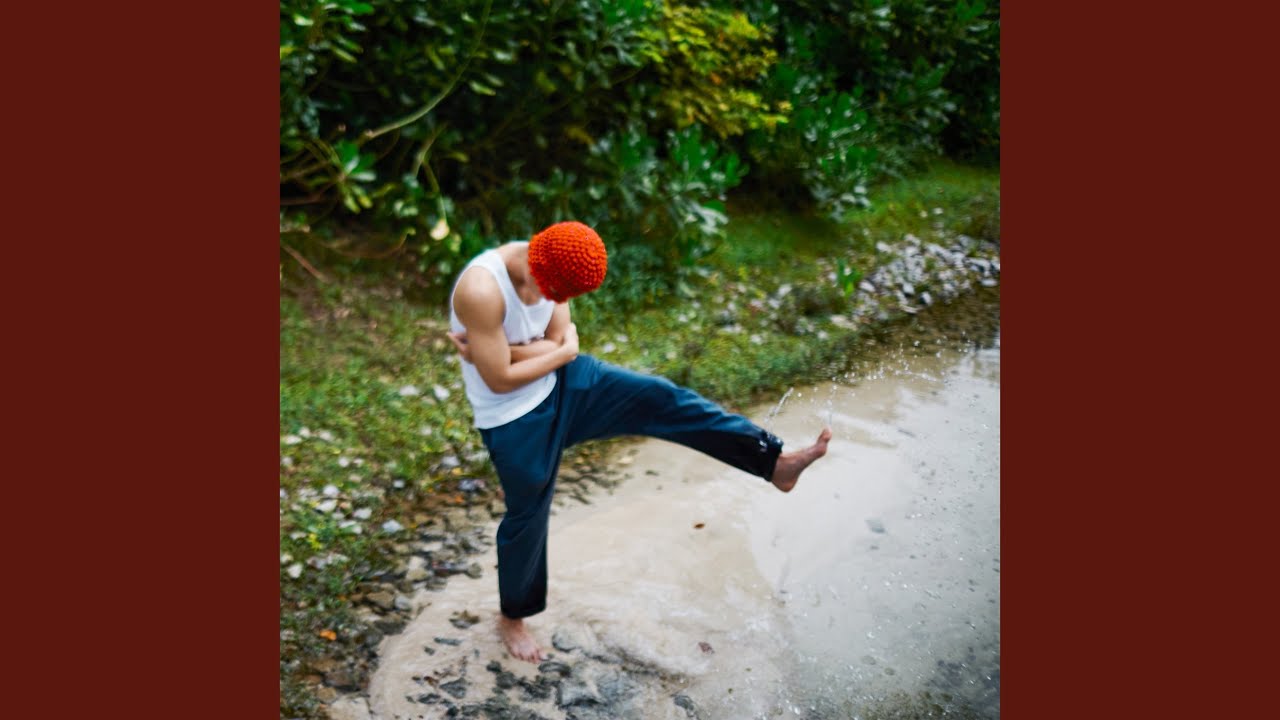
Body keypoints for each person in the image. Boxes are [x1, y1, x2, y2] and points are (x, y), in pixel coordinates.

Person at [446, 221, 832, 662]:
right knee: (529, 509)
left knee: (660, 398)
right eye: (548, 292)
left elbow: (551, 344)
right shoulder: (482, 289)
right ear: (535, 261)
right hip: (510, 416)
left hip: (564, 382)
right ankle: (513, 617)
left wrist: (519, 351)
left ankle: (773, 463)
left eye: (561, 297)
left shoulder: (562, 268)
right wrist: (557, 352)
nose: (550, 301)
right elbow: (500, 379)